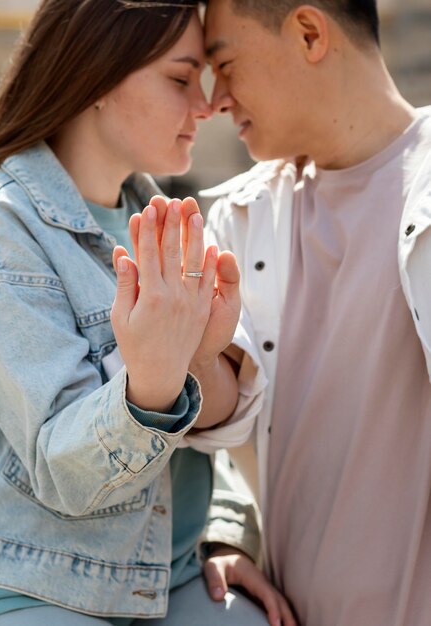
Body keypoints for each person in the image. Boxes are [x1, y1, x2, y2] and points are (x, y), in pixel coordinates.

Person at [0, 1, 297, 625]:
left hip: (160, 578)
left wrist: (224, 534)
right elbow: (65, 472)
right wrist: (155, 377)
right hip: (17, 582)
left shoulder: (167, 215)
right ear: (95, 75)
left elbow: (212, 431)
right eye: (180, 79)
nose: (205, 105)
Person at [199, 0, 431, 624]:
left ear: (308, 33)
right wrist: (226, 532)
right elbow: (227, 437)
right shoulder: (235, 222)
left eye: (224, 63)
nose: (213, 99)